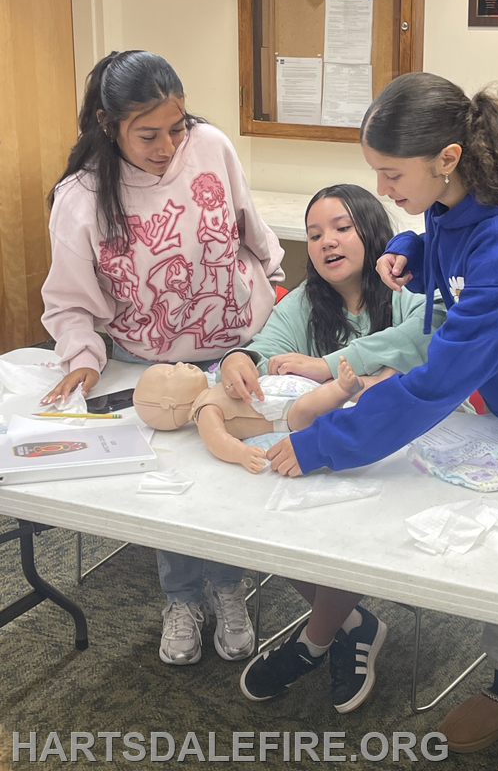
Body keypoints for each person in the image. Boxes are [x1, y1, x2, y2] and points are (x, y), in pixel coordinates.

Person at [265, 73, 498, 769]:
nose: (382, 189)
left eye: (390, 173)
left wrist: (326, 444)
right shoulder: (459, 201)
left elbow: (438, 380)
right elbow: (450, 240)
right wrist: (414, 250)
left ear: (447, 157)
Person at [39, 50, 285, 668]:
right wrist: (83, 357)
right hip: (155, 364)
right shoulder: (81, 198)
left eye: (177, 127)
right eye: (149, 134)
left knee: (229, 473)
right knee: (173, 487)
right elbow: (70, 303)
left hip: (234, 345)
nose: (169, 146)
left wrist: (278, 312)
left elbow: (253, 235)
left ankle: (228, 588)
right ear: (107, 123)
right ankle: (182, 597)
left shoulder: (211, 146)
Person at [219, 183, 445, 713]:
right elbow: (266, 354)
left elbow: (429, 340)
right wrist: (239, 358)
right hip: (326, 451)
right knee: (265, 515)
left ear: (371, 232)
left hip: (402, 453)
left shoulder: (408, 289)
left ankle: (313, 641)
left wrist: (341, 367)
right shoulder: (302, 302)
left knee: (342, 532)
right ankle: (352, 624)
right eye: (315, 233)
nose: (326, 242)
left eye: (342, 228)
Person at [133, 357, 366, 471]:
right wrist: (242, 453)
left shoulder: (213, 385)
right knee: (306, 409)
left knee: (314, 399)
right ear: (168, 403)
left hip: (282, 393)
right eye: (172, 373)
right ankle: (343, 389)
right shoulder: (205, 411)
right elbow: (218, 440)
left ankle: (341, 393)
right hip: (282, 417)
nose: (181, 363)